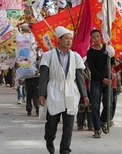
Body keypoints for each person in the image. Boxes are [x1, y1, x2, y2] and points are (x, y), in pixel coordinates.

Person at [38, 26, 89, 154]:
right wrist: (41, 94)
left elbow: (80, 77)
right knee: (52, 123)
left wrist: (84, 95)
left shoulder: (76, 56)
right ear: (59, 40)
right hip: (54, 90)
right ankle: (49, 139)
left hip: (71, 91)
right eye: (66, 38)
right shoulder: (48, 56)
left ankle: (65, 149)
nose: (69, 41)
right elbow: (43, 76)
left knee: (69, 124)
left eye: (70, 39)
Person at [86, 29, 115, 138]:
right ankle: (97, 129)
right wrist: (102, 79)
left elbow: (112, 63)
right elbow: (92, 69)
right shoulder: (90, 52)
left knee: (109, 105)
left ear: (101, 37)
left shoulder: (106, 49)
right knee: (95, 106)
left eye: (98, 36)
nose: (96, 39)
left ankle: (103, 121)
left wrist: (111, 52)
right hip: (96, 82)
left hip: (107, 81)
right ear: (91, 39)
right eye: (94, 37)